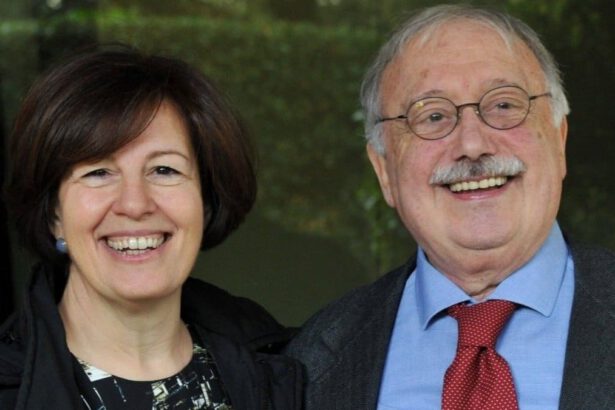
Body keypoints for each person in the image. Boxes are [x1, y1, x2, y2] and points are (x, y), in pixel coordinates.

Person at [286, 4, 615, 410]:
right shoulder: (306, 364)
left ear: (559, 139)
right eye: (433, 116)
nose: (472, 144)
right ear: (384, 170)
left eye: (504, 105)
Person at [0, 46, 302, 409]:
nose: (135, 204)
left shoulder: (287, 369)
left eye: (164, 170)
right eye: (98, 172)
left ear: (205, 200)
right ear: (54, 214)